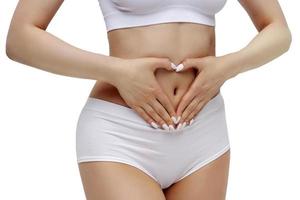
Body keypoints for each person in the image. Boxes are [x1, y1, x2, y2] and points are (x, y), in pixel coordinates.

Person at [6, 0, 292, 199]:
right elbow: (20, 38)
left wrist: (227, 67)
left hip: (205, 131)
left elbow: (278, 30)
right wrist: (116, 71)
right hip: (122, 135)